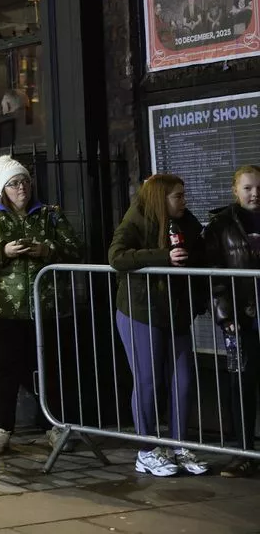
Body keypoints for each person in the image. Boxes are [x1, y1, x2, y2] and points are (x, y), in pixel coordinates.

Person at [0, 155, 83, 456]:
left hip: (45, 308)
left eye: (25, 181)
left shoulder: (50, 215)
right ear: (3, 188)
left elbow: (76, 250)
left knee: (49, 369)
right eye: (14, 183)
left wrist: (46, 249)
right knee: (0, 371)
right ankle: (0, 429)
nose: (21, 188)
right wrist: (2, 251)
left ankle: (54, 427)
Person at [109, 173, 208, 477]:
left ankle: (179, 444)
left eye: (183, 194)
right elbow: (116, 256)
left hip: (175, 311)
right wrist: (164, 257)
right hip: (141, 310)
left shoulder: (188, 223)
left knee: (183, 379)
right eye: (178, 196)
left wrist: (197, 302)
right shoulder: (137, 218)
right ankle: (147, 448)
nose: (184, 200)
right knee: (148, 380)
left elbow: (200, 259)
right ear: (160, 199)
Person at [204, 165, 260, 478]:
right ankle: (243, 452)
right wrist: (226, 317)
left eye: (259, 188)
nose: (255, 194)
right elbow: (214, 276)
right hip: (243, 317)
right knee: (241, 383)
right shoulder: (221, 225)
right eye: (248, 188)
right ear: (235, 191)